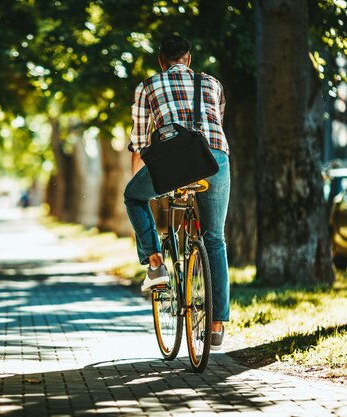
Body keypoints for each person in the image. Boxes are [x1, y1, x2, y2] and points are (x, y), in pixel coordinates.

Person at [124, 34, 231, 350]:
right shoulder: (212, 83)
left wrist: (142, 183)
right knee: (215, 239)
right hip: (214, 159)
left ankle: (155, 262)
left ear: (161, 60)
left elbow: (141, 143)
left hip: (172, 163)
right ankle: (216, 324)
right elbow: (215, 125)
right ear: (188, 58)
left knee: (133, 195)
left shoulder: (147, 87)